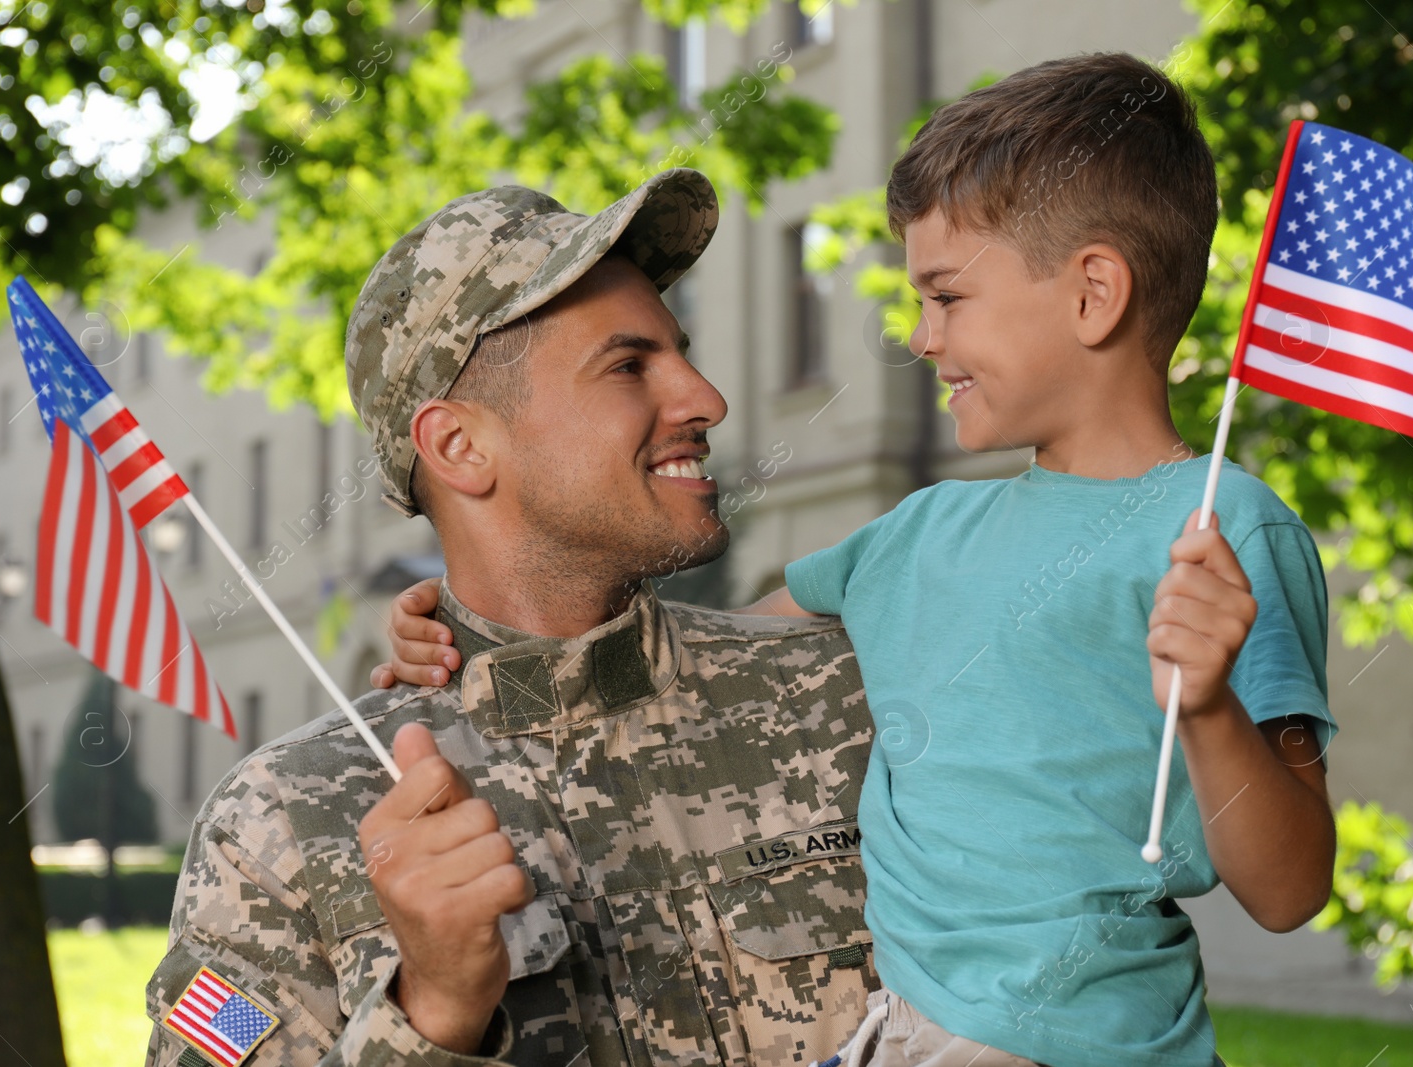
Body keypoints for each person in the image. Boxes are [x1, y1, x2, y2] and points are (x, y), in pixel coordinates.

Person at [378, 54, 1339, 1067]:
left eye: (946, 295)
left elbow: (1289, 889)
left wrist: (1208, 708)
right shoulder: (914, 534)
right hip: (898, 1036)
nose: (920, 337)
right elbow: (703, 650)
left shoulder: (1219, 531)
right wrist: (474, 628)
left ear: (1093, 292)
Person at [142, 171, 883, 1067]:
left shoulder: (852, 692)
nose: (706, 399)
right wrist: (432, 1010)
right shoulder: (277, 825)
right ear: (459, 446)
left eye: (679, 351)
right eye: (628, 365)